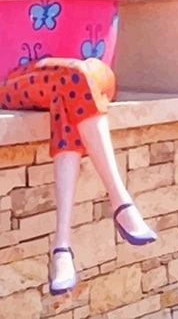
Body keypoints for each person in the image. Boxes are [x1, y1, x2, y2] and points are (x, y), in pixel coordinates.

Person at [0, 57, 156, 295]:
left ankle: (62, 246)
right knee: (73, 83)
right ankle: (119, 202)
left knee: (74, 84)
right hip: (18, 78)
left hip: (90, 74)